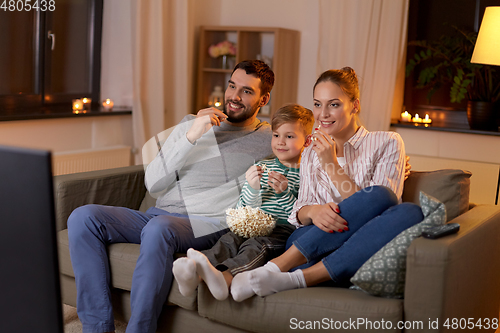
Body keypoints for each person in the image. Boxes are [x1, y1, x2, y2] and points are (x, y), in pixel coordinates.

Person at [66, 60, 275, 333]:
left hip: (206, 224)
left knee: (159, 228)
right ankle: (96, 328)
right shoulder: (194, 123)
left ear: (264, 98)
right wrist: (192, 135)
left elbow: (295, 164)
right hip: (159, 215)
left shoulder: (269, 138)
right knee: (83, 217)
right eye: (232, 86)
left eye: (246, 91)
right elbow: (153, 183)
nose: (234, 97)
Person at [230, 67, 424, 301]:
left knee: (407, 211)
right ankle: (281, 267)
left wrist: (330, 163)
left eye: (333, 104)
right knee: (382, 197)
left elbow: (380, 209)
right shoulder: (310, 150)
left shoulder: (387, 142)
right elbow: (298, 212)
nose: (323, 114)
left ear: (355, 105)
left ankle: (293, 276)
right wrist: (314, 211)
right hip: (310, 240)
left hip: (362, 240)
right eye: (317, 104)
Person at [172, 103, 315, 302]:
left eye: (289, 136)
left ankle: (224, 278)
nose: (280, 142)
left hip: (281, 230)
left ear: (307, 141)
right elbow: (244, 208)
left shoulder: (308, 174)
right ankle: (193, 272)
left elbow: (301, 215)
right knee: (228, 241)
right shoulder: (262, 166)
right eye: (276, 135)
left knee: (256, 247)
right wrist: (254, 187)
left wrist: (283, 194)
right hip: (252, 224)